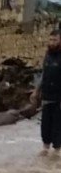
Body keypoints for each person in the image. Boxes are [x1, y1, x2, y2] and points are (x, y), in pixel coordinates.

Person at [32, 29, 61, 157]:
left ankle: (57, 152)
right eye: (50, 39)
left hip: (58, 98)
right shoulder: (48, 55)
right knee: (45, 125)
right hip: (46, 96)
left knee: (57, 126)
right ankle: (45, 148)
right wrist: (36, 91)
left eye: (55, 40)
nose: (52, 42)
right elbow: (43, 75)